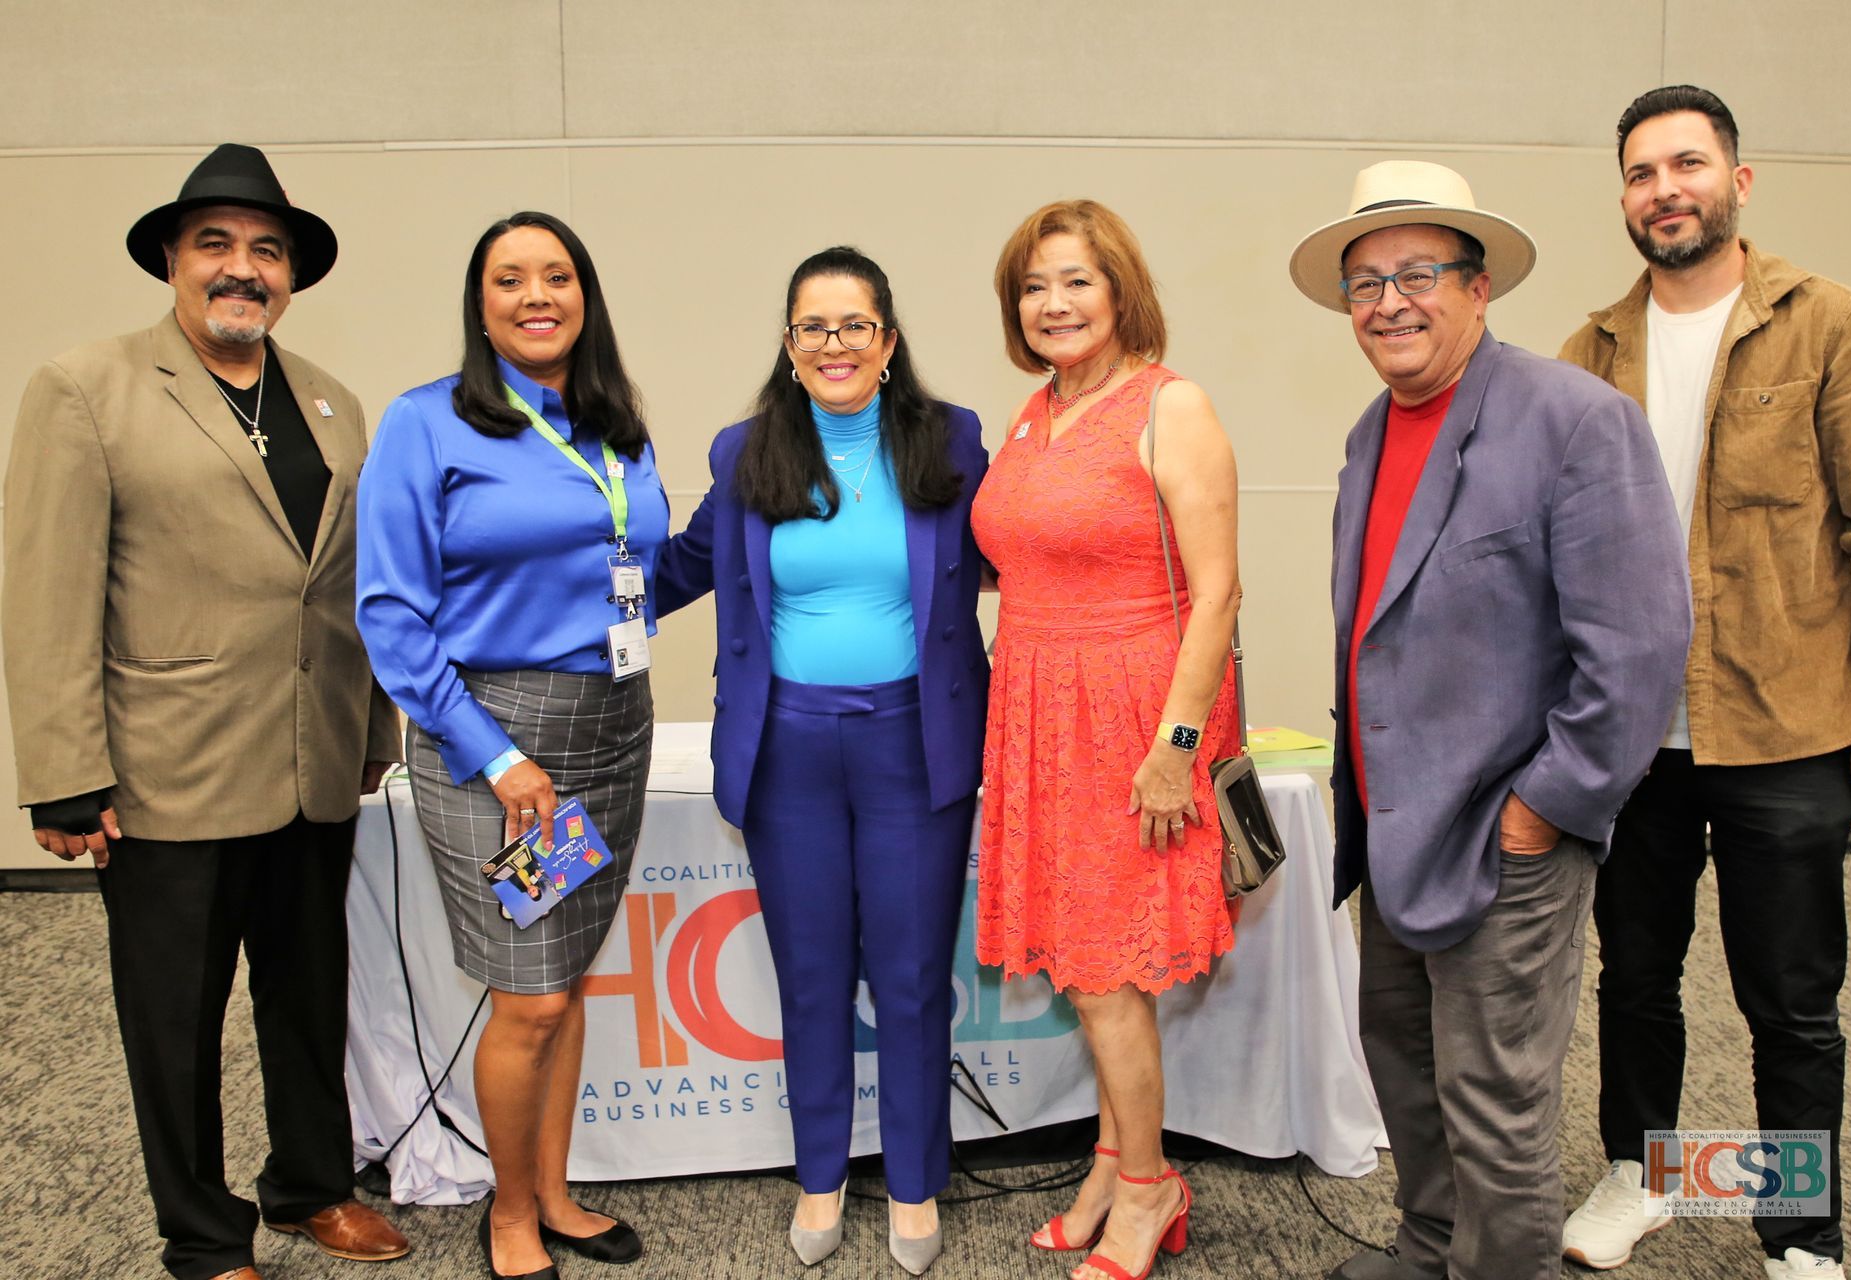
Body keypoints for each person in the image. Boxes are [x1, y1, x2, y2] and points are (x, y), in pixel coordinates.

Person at [1, 143, 410, 1280]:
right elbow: (46, 589)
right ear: (175, 263)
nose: (244, 269)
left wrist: (374, 734)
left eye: (266, 251)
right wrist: (63, 771)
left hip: (312, 759)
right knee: (175, 1017)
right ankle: (200, 1229)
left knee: (309, 992)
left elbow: (347, 586)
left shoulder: (331, 401)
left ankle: (311, 1186)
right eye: (218, 246)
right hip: (165, 769)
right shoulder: (86, 387)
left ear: (290, 276)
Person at [1288, 161, 1693, 1280]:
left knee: (1496, 1098)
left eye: (1418, 273)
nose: (1389, 303)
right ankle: (1430, 1248)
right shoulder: (1373, 435)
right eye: (1364, 283)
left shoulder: (1574, 419)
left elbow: (1642, 646)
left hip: (1504, 833)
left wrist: (1542, 808)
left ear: (1478, 289)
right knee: (1406, 1067)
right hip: (1393, 825)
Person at [1558, 87, 1851, 1280]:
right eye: (1642, 172)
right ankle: (1640, 1174)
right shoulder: (1589, 349)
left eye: (1688, 164)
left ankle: (1803, 1226)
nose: (1665, 189)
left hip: (1792, 726)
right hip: (1632, 736)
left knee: (1792, 997)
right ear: (1623, 197)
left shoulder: (1831, 324)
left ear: (1738, 180)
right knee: (1637, 977)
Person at [650, 245, 989, 1275]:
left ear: (887, 342)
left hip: (913, 742)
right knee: (810, 977)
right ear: (789, 346)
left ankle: (919, 1182)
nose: (834, 343)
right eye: (813, 326)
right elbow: (679, 568)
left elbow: (1026, 553)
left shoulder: (951, 442)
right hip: (787, 750)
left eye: (855, 325)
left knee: (914, 976)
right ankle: (821, 1175)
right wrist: (558, 582)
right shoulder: (744, 452)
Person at [356, 211, 667, 1280]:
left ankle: (555, 1190)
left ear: (585, 294)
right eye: (509, 279)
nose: (537, 295)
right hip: (503, 747)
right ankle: (508, 1214)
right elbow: (392, 617)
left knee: (566, 975)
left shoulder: (612, 424)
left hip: (610, 728)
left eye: (558, 275)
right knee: (529, 992)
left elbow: (638, 567)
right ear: (479, 303)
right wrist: (498, 756)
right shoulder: (426, 423)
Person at [971, 200, 1241, 1280]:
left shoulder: (1172, 405)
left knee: (1103, 972)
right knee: (1088, 965)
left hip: (1134, 720)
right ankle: (1110, 1159)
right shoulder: (1034, 413)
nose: (1054, 303)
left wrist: (1174, 743)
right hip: (1038, 710)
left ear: (1120, 288)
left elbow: (1218, 591)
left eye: (1076, 280)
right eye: (1035, 286)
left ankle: (1148, 1187)